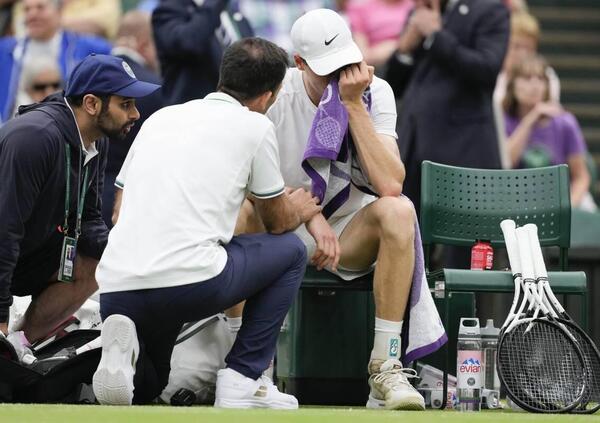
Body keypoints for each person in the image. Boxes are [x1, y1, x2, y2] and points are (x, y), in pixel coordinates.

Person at [92, 37, 321, 407]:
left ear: (223, 76)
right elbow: (278, 223)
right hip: (187, 285)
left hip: (117, 289)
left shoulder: (161, 118)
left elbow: (119, 209)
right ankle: (244, 376)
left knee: (151, 388)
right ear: (268, 96)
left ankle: (123, 345)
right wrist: (301, 208)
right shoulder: (255, 127)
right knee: (291, 250)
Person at [238, 8, 446, 410]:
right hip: (281, 220)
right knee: (243, 213)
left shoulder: (374, 92)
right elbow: (245, 182)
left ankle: (385, 366)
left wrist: (353, 108)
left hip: (350, 231)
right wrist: (310, 217)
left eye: (347, 64)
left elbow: (390, 184)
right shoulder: (276, 94)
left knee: (399, 210)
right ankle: (249, 371)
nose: (341, 76)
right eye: (329, 69)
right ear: (299, 64)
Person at [0, 54, 159, 355]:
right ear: (91, 104)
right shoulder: (35, 138)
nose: (136, 114)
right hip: (8, 246)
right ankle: (4, 338)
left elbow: (88, 221)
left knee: (102, 262)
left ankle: (16, 348)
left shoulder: (97, 139)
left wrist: (125, 250)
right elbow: (4, 233)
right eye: (125, 104)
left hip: (28, 252)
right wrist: (0, 318)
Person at [385, 0, 510, 216]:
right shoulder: (421, 10)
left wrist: (435, 35)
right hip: (412, 146)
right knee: (410, 241)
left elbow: (487, 69)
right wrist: (404, 48)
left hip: (461, 153)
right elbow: (394, 86)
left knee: (462, 243)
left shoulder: (491, 10)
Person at [503, 55, 597, 211]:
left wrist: (568, 208)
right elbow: (506, 163)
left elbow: (581, 176)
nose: (535, 84)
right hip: (515, 204)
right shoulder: (503, 120)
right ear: (512, 85)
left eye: (540, 78)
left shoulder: (565, 122)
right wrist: (530, 120)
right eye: (527, 78)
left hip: (561, 202)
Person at [0, 0, 112, 124]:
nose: (32, 15)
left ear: (58, 12)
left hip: (66, 131)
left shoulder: (88, 48)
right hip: (12, 129)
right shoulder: (6, 51)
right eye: (27, 9)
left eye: (40, 7)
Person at [103, 10, 163, 227]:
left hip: (79, 193)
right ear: (144, 43)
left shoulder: (85, 77)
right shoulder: (155, 87)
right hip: (130, 200)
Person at [152, 0, 254, 106]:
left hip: (240, 110)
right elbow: (188, 43)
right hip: (195, 112)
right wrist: (212, 5)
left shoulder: (232, 13)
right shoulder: (170, 10)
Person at [346, 0, 414, 67]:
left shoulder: (414, 6)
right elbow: (362, 55)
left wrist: (393, 46)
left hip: (405, 57)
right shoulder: (360, 5)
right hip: (374, 62)